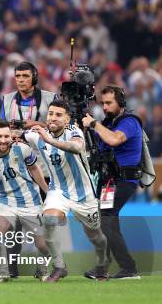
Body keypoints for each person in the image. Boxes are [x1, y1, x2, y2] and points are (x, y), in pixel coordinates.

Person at [25, 100, 109, 282]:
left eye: (58, 114)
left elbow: (76, 146)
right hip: (58, 191)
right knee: (49, 220)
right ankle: (60, 266)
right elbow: (14, 136)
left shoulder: (74, 131)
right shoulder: (36, 136)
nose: (53, 118)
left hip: (84, 194)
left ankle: (102, 264)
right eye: (50, 113)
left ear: (67, 119)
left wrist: (50, 140)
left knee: (96, 236)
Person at [0, 119, 51, 282]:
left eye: (6, 136)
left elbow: (34, 168)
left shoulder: (23, 149)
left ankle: (42, 270)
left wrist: (47, 192)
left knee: (43, 245)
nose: (3, 140)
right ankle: (3, 272)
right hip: (4, 201)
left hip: (30, 200)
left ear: (11, 136)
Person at [0, 61, 56, 277]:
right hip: (16, 169)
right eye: (18, 76)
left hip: (44, 166)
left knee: (43, 222)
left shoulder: (50, 99)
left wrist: (36, 125)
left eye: (25, 75)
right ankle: (11, 268)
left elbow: (60, 125)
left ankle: (43, 267)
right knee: (13, 223)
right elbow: (0, 128)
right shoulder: (6, 100)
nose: (21, 80)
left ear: (34, 76)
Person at [82, 85, 142, 279]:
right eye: (103, 103)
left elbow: (115, 140)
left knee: (105, 217)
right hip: (109, 180)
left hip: (124, 179)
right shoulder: (107, 123)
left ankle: (127, 269)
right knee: (108, 221)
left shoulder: (129, 121)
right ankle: (107, 269)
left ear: (121, 103)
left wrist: (93, 125)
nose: (105, 107)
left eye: (109, 103)